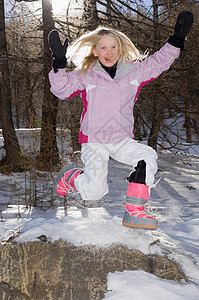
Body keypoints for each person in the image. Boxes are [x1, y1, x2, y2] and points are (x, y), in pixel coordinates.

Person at [48, 11, 193, 230]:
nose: (109, 52)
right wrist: (59, 64)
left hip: (121, 139)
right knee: (94, 193)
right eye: (103, 47)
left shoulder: (134, 72)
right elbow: (62, 89)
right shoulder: (86, 74)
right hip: (94, 139)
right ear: (95, 51)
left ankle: (135, 210)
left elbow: (158, 62)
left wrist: (176, 40)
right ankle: (70, 177)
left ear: (121, 48)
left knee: (146, 156)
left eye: (113, 47)